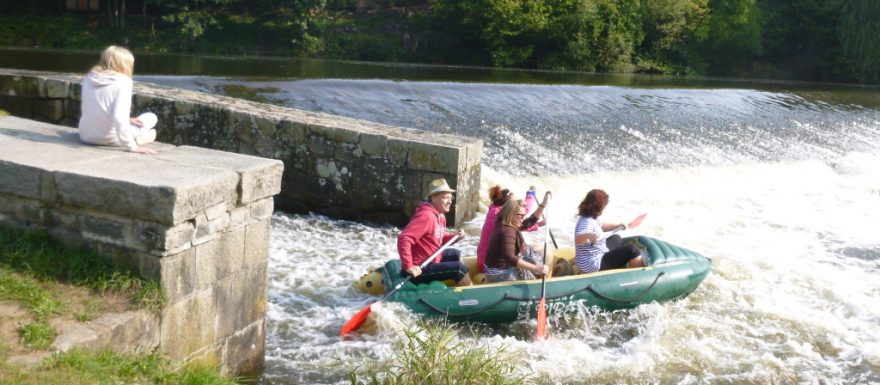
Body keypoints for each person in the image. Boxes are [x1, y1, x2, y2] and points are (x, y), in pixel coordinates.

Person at [78, 45, 158, 155]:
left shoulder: (89, 77)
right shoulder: (123, 82)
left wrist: (128, 119)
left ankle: (138, 134)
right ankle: (141, 136)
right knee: (151, 117)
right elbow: (119, 118)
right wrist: (132, 147)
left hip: (85, 136)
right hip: (110, 139)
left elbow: (96, 108)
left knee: (131, 122)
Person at [397, 178, 472, 287]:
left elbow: (437, 237)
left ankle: (460, 285)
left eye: (451, 198)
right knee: (459, 269)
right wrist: (409, 266)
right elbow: (404, 238)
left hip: (432, 258)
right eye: (446, 197)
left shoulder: (440, 215)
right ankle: (470, 296)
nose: (450, 201)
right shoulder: (426, 216)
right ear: (433, 198)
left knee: (455, 254)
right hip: (420, 268)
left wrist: (455, 237)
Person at [574, 189, 644, 273]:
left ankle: (624, 263)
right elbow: (578, 239)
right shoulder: (586, 222)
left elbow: (602, 226)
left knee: (616, 238)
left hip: (595, 255)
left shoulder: (590, 216)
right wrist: (587, 235)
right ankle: (638, 275)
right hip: (593, 265)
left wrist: (618, 225)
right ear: (599, 207)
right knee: (632, 250)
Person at [484, 199, 550, 283]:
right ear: (511, 214)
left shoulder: (504, 221)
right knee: (547, 256)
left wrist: (543, 205)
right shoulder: (507, 230)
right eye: (521, 216)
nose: (523, 218)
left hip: (494, 270)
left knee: (542, 251)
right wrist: (535, 268)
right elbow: (509, 257)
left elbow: (529, 222)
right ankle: (546, 284)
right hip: (501, 274)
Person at [476, 185, 514, 272]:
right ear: (508, 201)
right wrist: (531, 194)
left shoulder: (493, 208)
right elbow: (520, 224)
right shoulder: (499, 214)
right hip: (489, 265)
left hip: (482, 260)